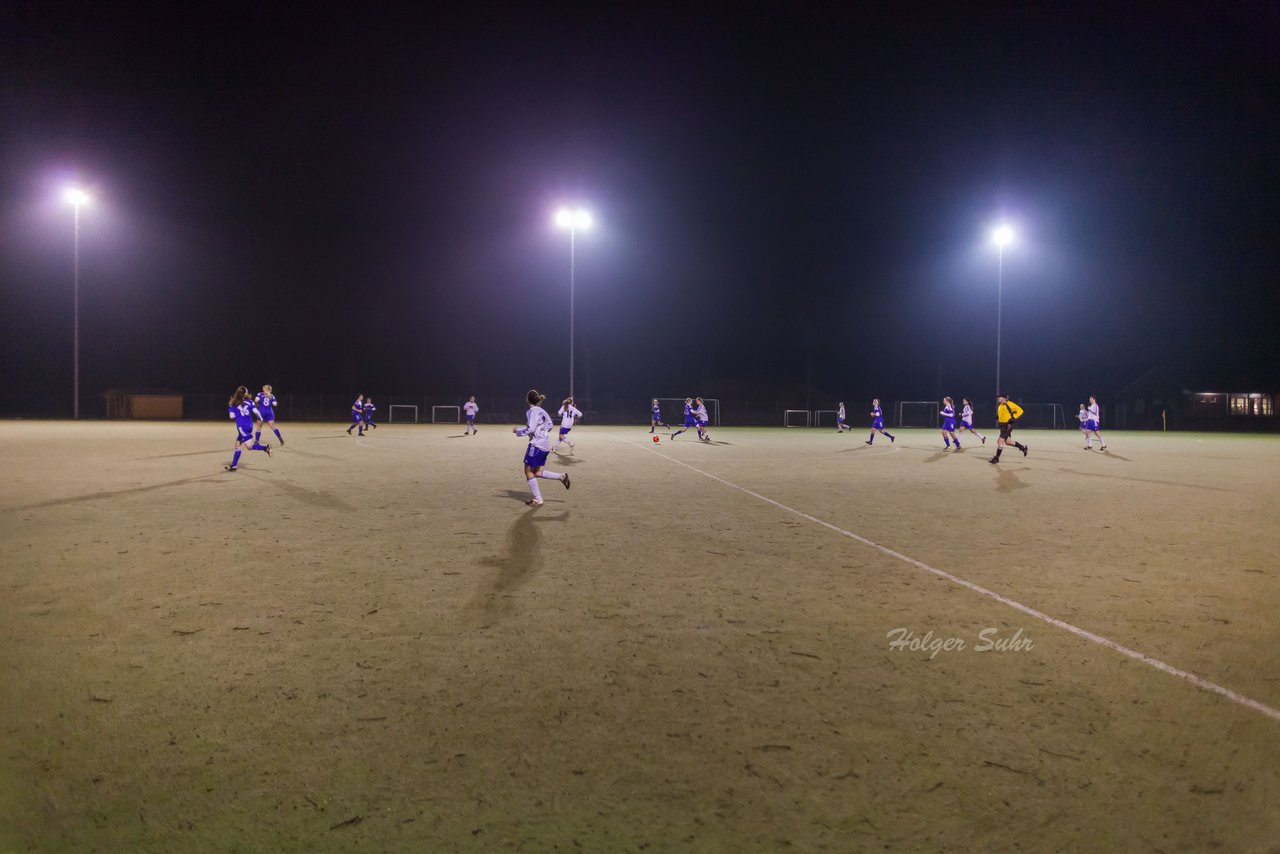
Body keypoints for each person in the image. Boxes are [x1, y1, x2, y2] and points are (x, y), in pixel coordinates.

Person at [514, 389, 570, 506]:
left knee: (528, 471)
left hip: (536, 445)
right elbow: (550, 425)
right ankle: (561, 476)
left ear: (527, 400)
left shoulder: (531, 412)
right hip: (545, 445)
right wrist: (543, 432)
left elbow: (530, 429)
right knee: (536, 472)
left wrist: (518, 431)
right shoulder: (542, 411)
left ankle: (538, 499)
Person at [226, 386, 272, 471]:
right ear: (245, 394)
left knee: (249, 446)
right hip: (249, 426)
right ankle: (234, 466)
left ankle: (266, 448)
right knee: (237, 445)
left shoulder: (234, 403)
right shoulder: (250, 401)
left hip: (241, 427)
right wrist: (261, 419)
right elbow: (256, 412)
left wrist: (235, 409)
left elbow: (231, 416)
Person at [990, 394, 1029, 464]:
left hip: (1008, 425)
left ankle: (996, 458)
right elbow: (1004, 413)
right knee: (1008, 442)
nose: (998, 398)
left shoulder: (1010, 404)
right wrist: (998, 416)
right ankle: (1022, 448)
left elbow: (1020, 410)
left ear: (1004, 398)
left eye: (1000, 397)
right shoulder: (1000, 405)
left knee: (1000, 441)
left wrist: (1014, 417)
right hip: (1002, 426)